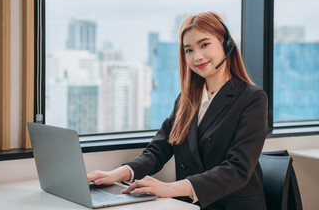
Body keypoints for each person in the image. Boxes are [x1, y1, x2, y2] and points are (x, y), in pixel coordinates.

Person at [87, 12, 268, 210]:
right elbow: (158, 150)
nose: (197, 56)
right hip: (189, 206)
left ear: (226, 45)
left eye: (204, 44)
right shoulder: (187, 100)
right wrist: (116, 174)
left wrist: (170, 188)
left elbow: (237, 168)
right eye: (189, 50)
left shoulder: (252, 99)